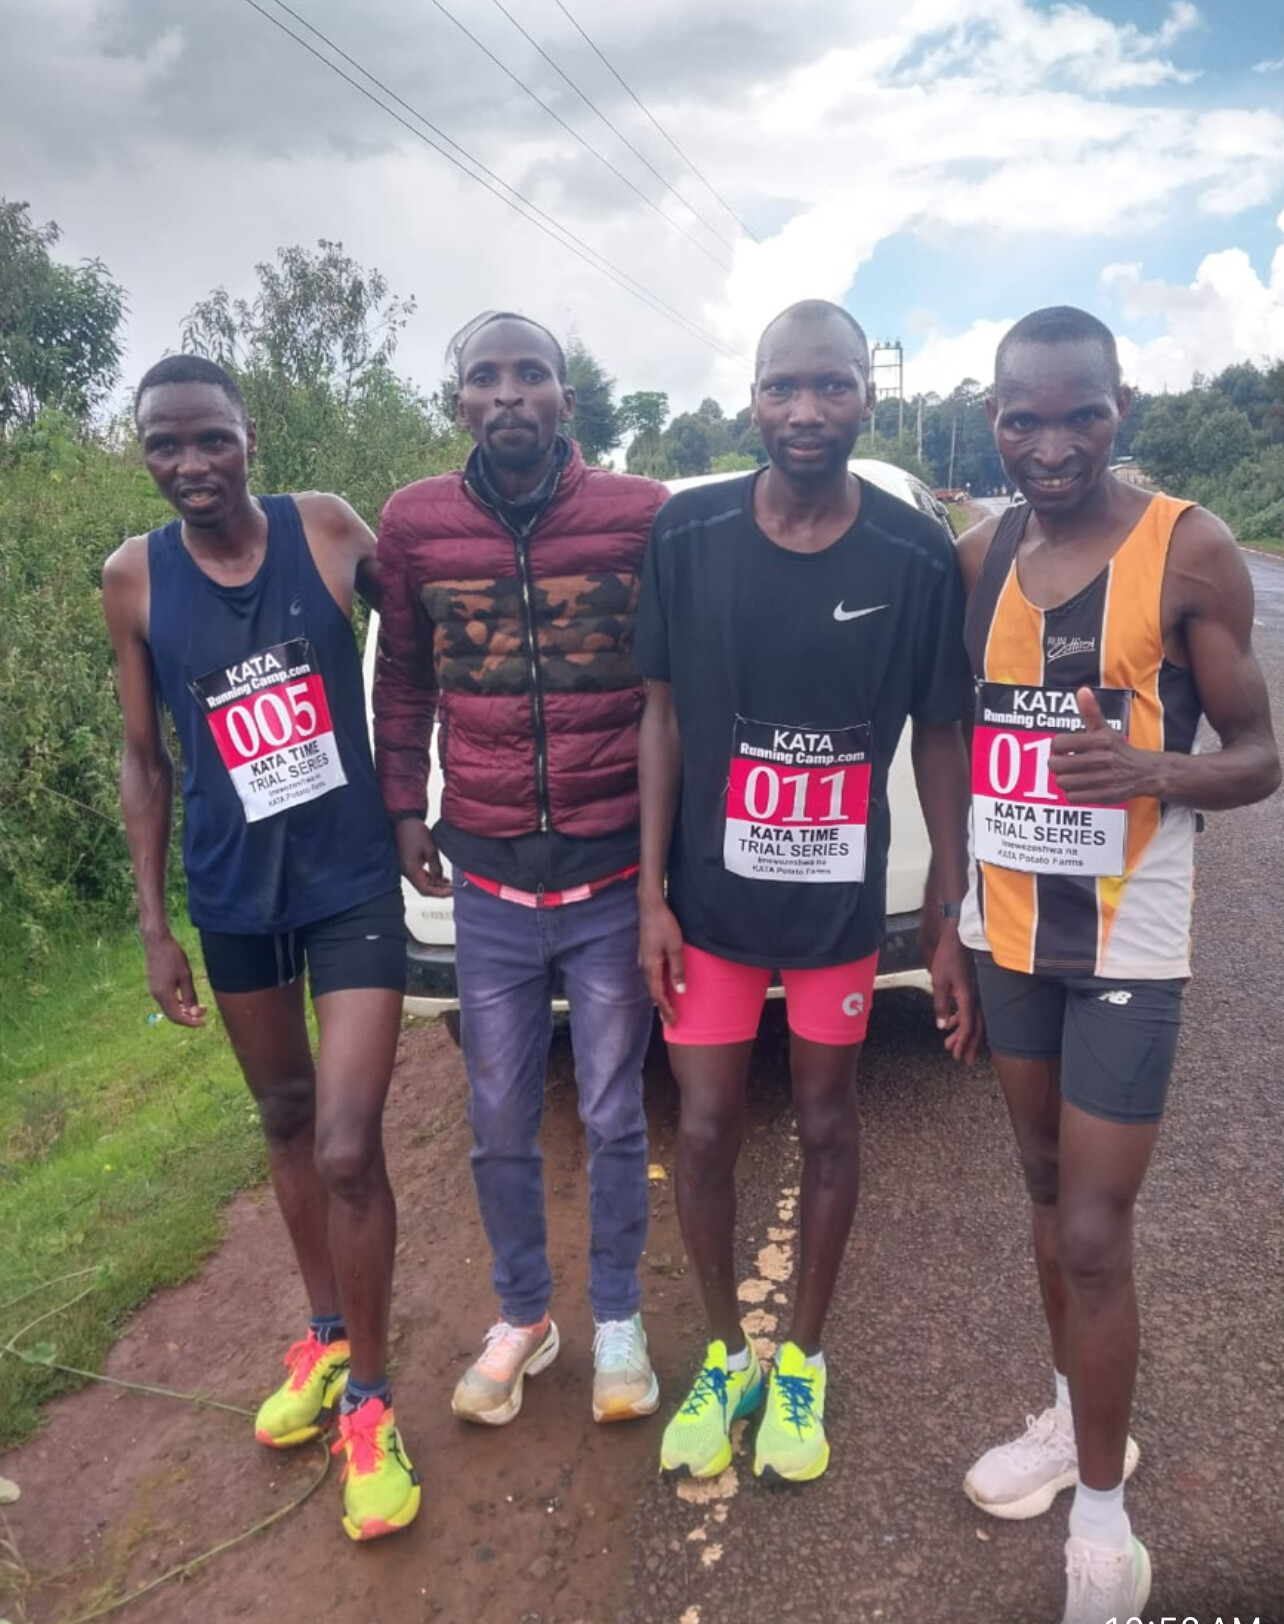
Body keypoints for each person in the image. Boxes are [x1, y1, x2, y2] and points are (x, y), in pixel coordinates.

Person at [955, 307, 1280, 1623]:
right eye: (1024, 419)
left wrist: (1153, 769)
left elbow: (1259, 755)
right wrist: (946, 925)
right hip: (1009, 933)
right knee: (1044, 1191)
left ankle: (1104, 1524)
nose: (1052, 444)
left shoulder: (1188, 548)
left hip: (1129, 938)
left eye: (1079, 414)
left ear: (1121, 407)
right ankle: (1070, 1416)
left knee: (1094, 1229)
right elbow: (955, 743)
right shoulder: (977, 558)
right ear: (993, 422)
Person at [635, 299, 980, 1485]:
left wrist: (947, 905)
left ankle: (805, 1359)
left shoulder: (913, 553)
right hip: (709, 906)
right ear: (752, 397)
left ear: (867, 399)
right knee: (705, 1125)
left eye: (831, 385)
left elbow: (942, 734)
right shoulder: (687, 535)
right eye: (783, 386)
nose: (805, 410)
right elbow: (660, 714)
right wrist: (649, 895)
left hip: (837, 908)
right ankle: (724, 1353)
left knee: (830, 1121)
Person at [102, 355, 419, 1542]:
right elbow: (146, 759)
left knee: (346, 1143)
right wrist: (153, 921)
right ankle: (328, 1336)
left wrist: (417, 782)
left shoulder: (326, 531)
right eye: (165, 445)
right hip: (235, 892)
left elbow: (425, 634)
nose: (190, 465)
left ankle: (373, 1401)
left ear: (250, 439)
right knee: (284, 1116)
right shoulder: (133, 577)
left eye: (211, 440)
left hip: (350, 883)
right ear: (145, 452)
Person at [374, 312, 667, 1427]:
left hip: (610, 874)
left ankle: (620, 1316)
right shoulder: (414, 523)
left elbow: (674, 685)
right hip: (489, 880)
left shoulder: (640, 515)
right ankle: (524, 1315)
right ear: (458, 401)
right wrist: (405, 805)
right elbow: (405, 678)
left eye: (530, 374)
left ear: (566, 400)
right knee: (498, 1117)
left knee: (613, 1111)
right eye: (486, 377)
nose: (508, 393)